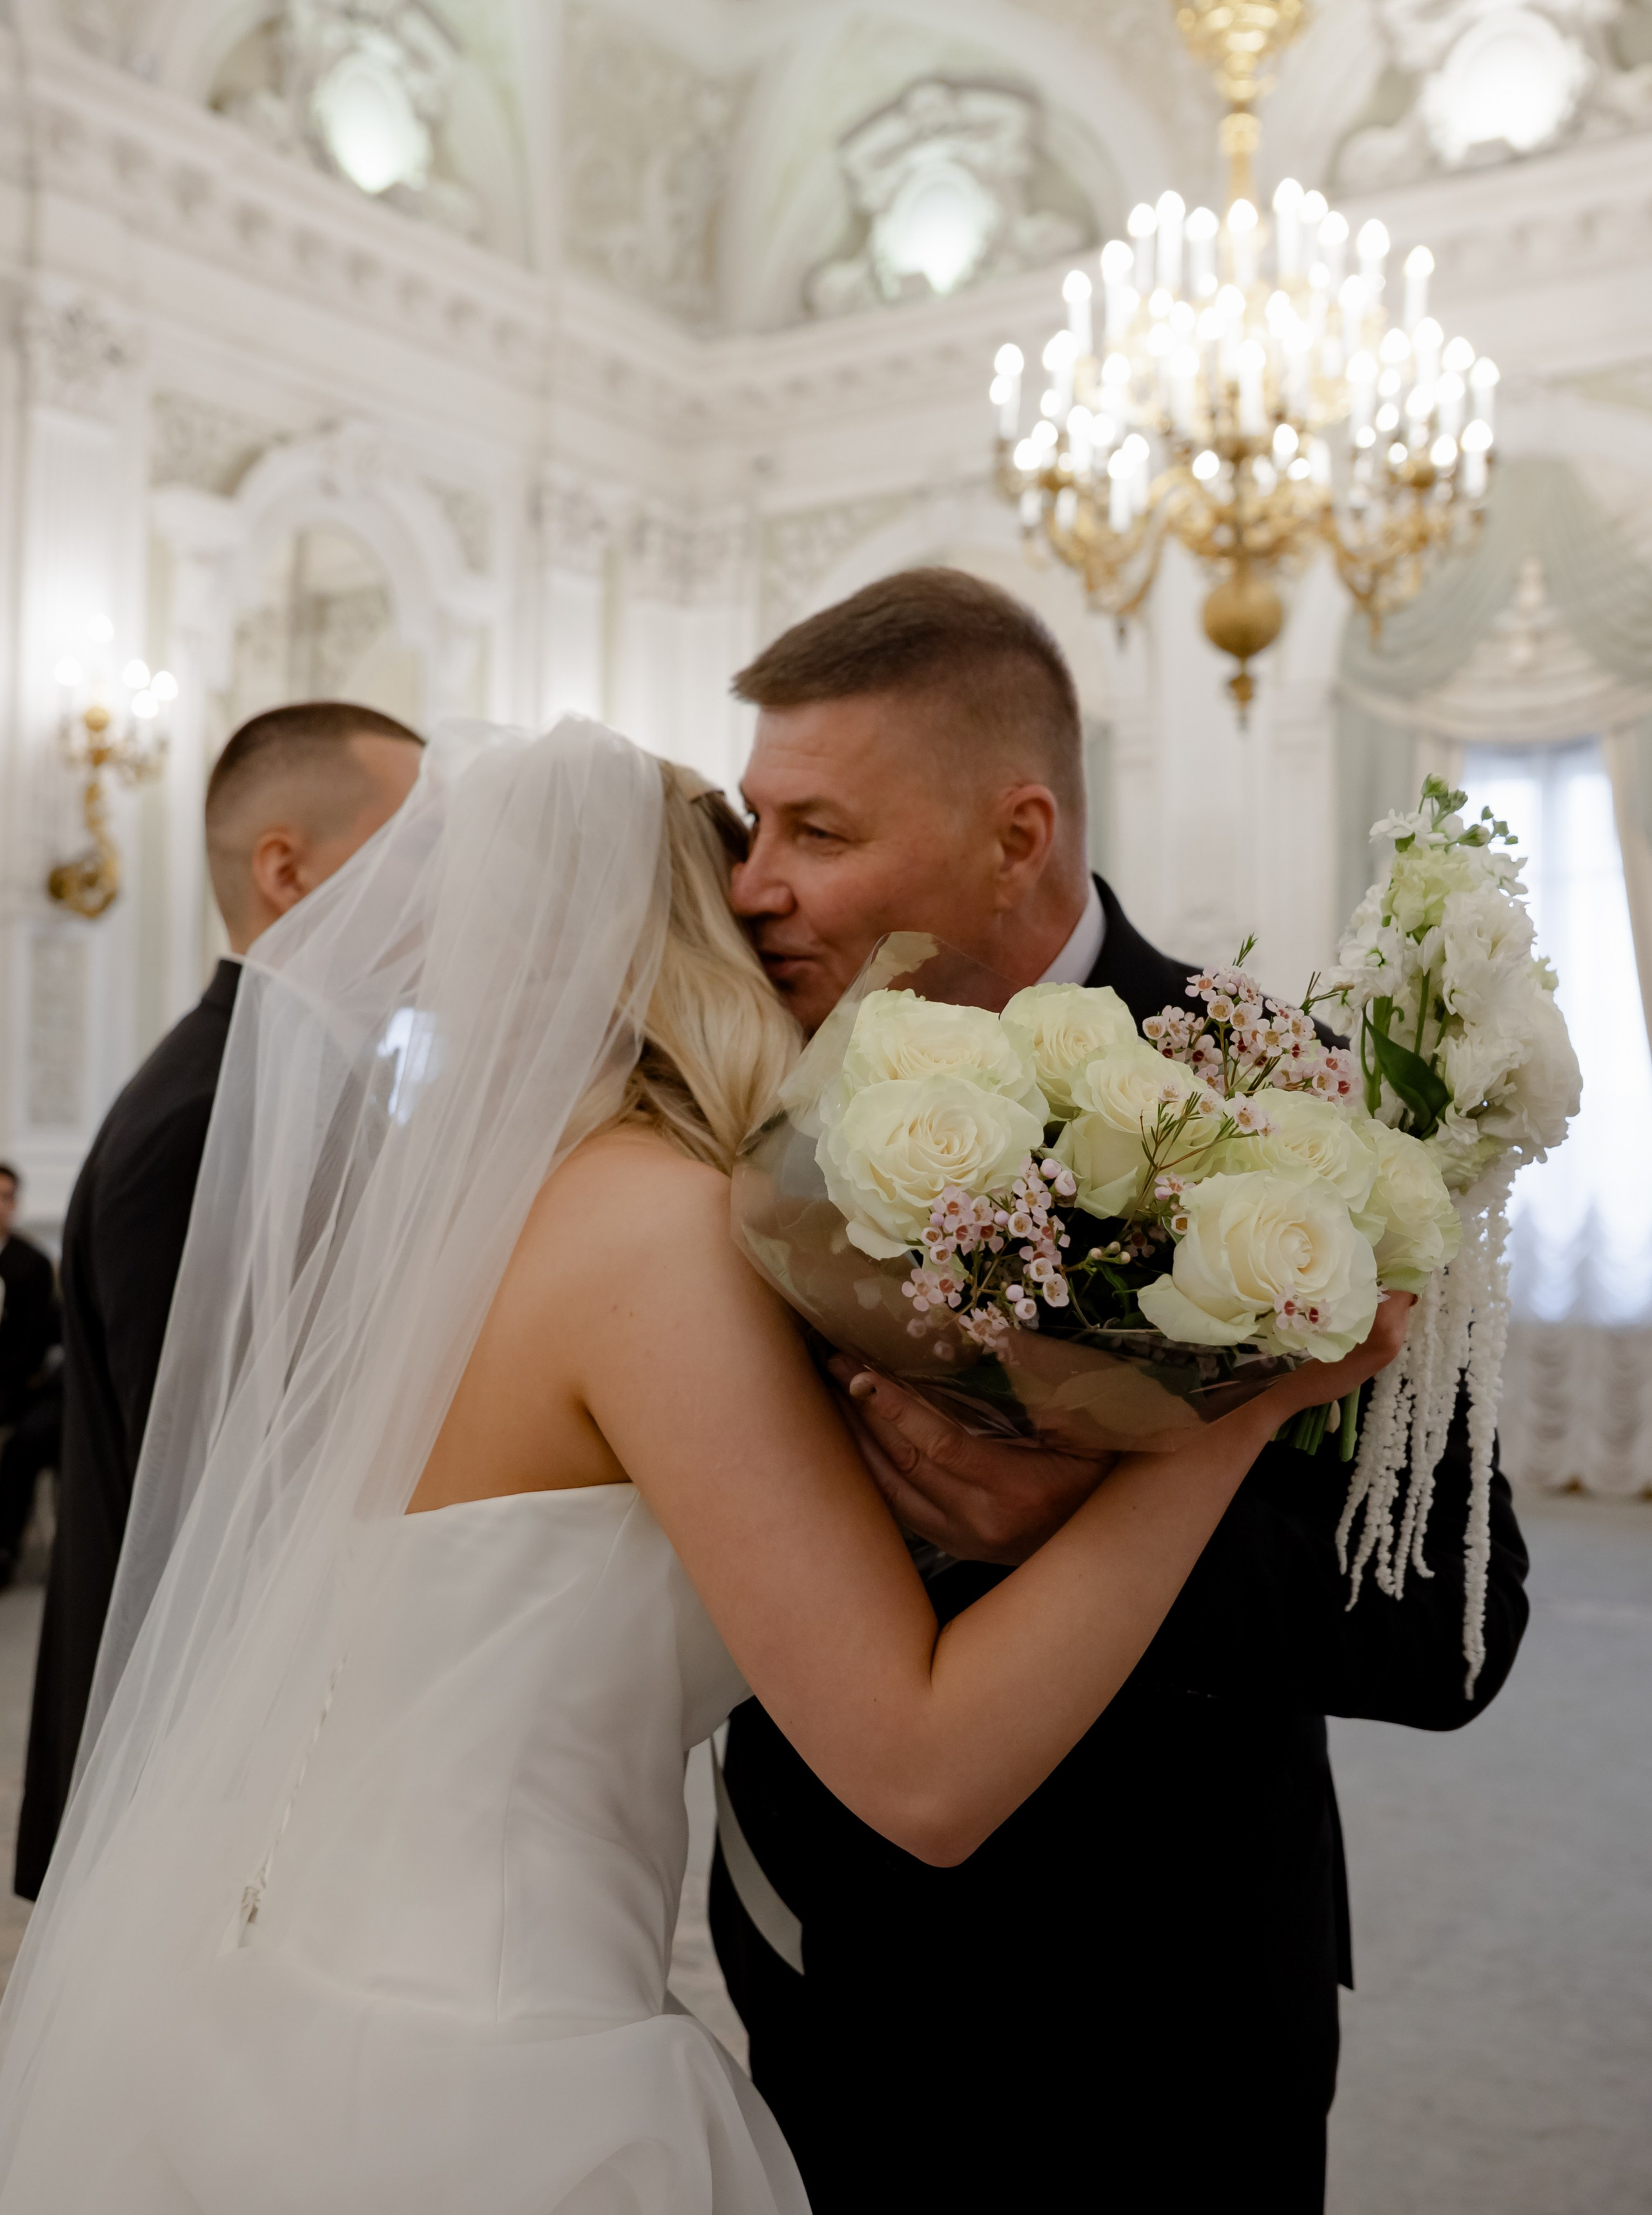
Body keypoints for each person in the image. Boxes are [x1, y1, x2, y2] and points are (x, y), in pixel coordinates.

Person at [0, 719, 1408, 2212]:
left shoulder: (459, 1224)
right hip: (483, 2046)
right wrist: (1236, 1419)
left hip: (282, 1994)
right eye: (768, 930)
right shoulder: (650, 1236)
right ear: (692, 953)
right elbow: (923, 1771)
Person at [712, 567, 1533, 2213]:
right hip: (817, 1965)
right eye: (752, 824)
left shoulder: (1290, 1108)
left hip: (1168, 2015)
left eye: (814, 830)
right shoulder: (739, 1082)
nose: (751, 889)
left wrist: (1096, 1523)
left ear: (1017, 837)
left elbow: (1454, 1616)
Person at [14, 702, 424, 1900]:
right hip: (200, 1780)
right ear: (286, 870)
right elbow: (205, 1503)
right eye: (421, 851)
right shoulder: (209, 1119)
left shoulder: (286, 1085)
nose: (459, 890)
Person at [0, 1166, 61, 1588]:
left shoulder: (32, 1263)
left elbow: (34, 1345)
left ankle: (4, 1549)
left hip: (17, 1389)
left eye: (6, 1196)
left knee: (28, 1441)